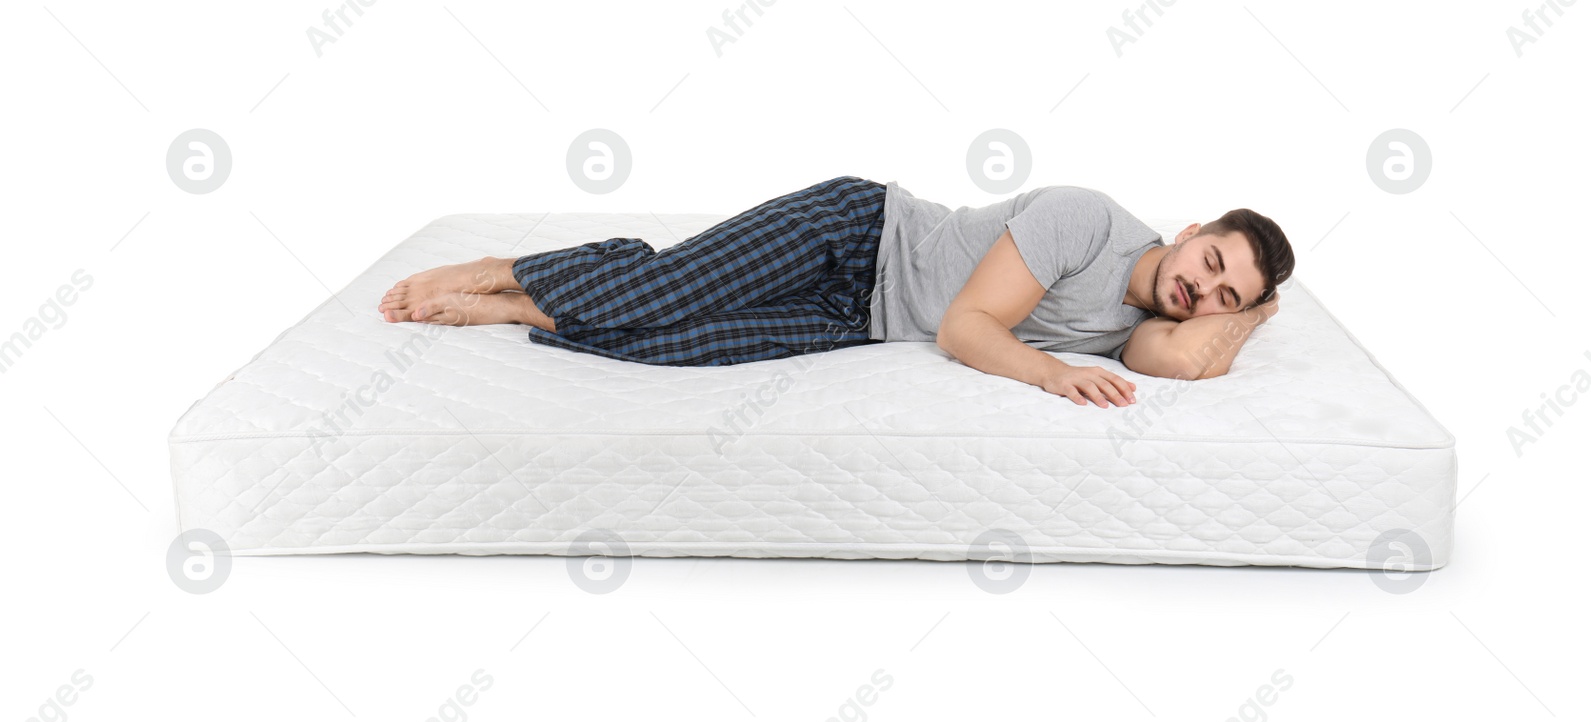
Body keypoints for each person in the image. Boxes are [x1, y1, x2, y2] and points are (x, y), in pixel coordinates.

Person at [377, 175, 1295, 408]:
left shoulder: (1153, 322)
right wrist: (1050, 376)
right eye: (1212, 263)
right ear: (1189, 232)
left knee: (666, 343)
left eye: (1225, 297)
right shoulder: (1085, 219)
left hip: (853, 317)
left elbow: (1184, 363)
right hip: (857, 234)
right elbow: (968, 329)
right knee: (668, 290)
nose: (1200, 291)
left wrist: (1252, 311)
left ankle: (513, 306)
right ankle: (504, 270)